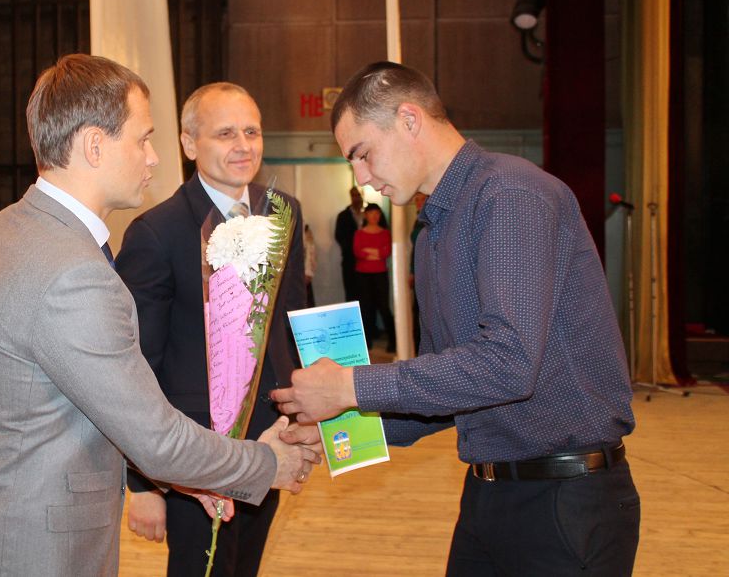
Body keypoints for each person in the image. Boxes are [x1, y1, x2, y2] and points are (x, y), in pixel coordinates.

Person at [0, 56, 321, 577]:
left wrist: (190, 478)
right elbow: (155, 439)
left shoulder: (11, 228)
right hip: (33, 548)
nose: (153, 158)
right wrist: (266, 464)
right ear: (95, 146)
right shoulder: (72, 273)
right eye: (143, 139)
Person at [273, 61, 639, 576]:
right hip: (489, 495)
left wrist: (351, 386)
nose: (362, 178)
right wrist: (346, 429)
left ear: (409, 119)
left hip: (565, 499)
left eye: (362, 153)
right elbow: (447, 391)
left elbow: (509, 365)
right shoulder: (434, 231)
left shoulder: (508, 195)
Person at [116, 82, 307, 577]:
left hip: (268, 439)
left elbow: (289, 321)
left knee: (245, 567)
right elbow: (136, 366)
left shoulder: (283, 212)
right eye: (225, 134)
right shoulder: (156, 232)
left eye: (252, 132)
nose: (243, 146)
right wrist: (143, 484)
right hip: (191, 453)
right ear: (188, 143)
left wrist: (302, 411)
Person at [354, 203, 394, 351]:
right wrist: (376, 252)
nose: (374, 216)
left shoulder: (385, 233)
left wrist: (370, 252)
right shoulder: (359, 233)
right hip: (363, 275)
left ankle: (393, 342)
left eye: (377, 213)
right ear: (366, 215)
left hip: (380, 274)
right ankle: (367, 342)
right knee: (365, 308)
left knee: (384, 307)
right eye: (371, 213)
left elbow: (386, 252)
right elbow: (358, 252)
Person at [335, 185, 365, 302]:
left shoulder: (369, 213)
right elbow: (339, 236)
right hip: (350, 260)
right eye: (354, 195)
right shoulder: (343, 216)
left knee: (367, 295)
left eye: (358, 195)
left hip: (368, 261)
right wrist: (352, 249)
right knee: (351, 294)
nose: (356, 198)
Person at [303, 223, 317, 307]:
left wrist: (308, 272)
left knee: (306, 304)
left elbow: (310, 253)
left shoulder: (305, 230)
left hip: (304, 274)